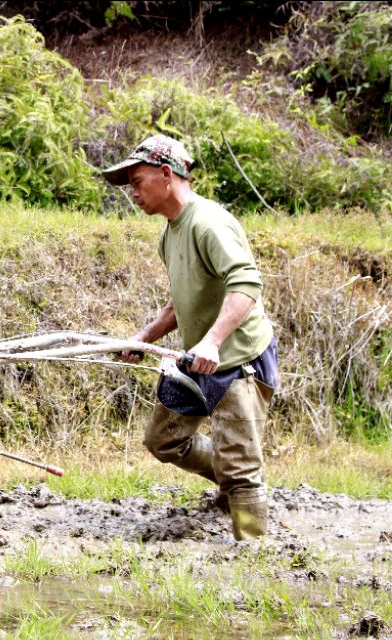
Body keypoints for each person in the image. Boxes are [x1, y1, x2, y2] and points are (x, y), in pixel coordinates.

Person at [101, 134, 279, 541]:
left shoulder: (208, 222)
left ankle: (254, 549)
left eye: (137, 181)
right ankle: (233, 482)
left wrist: (213, 341)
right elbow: (182, 299)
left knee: (242, 471)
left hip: (237, 361)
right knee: (163, 440)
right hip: (198, 356)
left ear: (166, 175)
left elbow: (247, 286)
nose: (133, 193)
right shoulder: (170, 232)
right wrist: (143, 337)